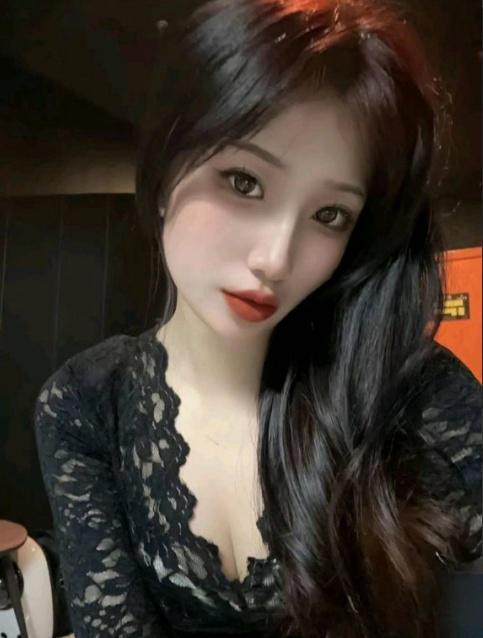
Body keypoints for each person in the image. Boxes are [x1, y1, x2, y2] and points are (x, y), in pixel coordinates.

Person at [34, 0, 482, 637]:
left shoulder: (408, 383)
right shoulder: (86, 403)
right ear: (164, 170)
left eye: (330, 215)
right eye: (244, 181)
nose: (275, 259)